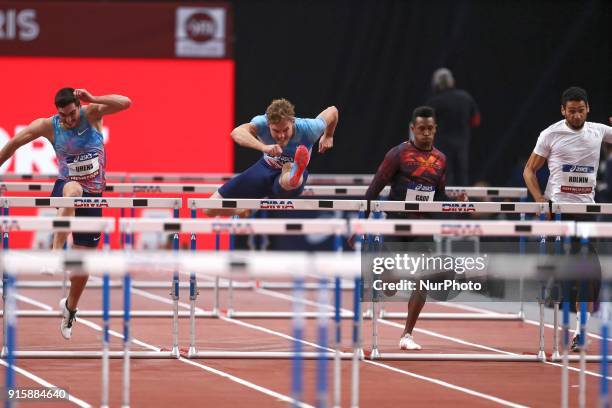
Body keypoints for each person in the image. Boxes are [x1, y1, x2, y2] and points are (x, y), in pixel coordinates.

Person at [0, 87, 132, 339]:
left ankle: (70, 307)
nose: (69, 120)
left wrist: (93, 98)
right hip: (67, 186)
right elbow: (14, 143)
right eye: (64, 116)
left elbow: (125, 102)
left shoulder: (92, 113)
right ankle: (54, 253)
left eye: (72, 114)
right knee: (72, 191)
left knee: (83, 266)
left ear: (78, 106)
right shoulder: (49, 126)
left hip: (94, 196)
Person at [365, 106, 467, 351]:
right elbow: (374, 188)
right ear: (413, 128)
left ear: (435, 130)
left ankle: (407, 334)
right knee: (389, 288)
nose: (426, 133)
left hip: (422, 225)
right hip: (396, 223)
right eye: (421, 129)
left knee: (423, 279)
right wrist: (360, 223)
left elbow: (439, 196)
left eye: (430, 129)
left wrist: (457, 205)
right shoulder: (398, 154)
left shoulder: (441, 160)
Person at [523, 86, 612, 351]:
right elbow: (529, 170)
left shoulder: (598, 131)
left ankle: (580, 331)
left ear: (588, 109)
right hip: (557, 212)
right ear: (563, 111)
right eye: (571, 111)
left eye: (580, 111)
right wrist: (540, 199)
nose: (576, 116)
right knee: (567, 275)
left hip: (585, 212)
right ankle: (556, 302)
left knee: (590, 275)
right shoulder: (550, 134)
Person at [206, 98, 338, 216]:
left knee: (288, 172)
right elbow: (236, 133)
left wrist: (328, 135)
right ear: (268, 124)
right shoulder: (261, 123)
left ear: (292, 121)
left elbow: (332, 111)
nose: (281, 135)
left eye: (285, 130)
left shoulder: (309, 128)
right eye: (276, 131)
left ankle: (295, 173)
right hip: (264, 168)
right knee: (209, 208)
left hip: (287, 177)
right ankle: (244, 210)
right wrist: (263, 147)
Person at [426, 68, 480, 186]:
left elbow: (426, 126)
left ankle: (443, 203)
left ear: (436, 84)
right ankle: (463, 203)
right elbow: (476, 121)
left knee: (443, 175)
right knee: (462, 175)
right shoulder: (466, 97)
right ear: (452, 81)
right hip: (462, 143)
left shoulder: (434, 102)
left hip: (441, 145)